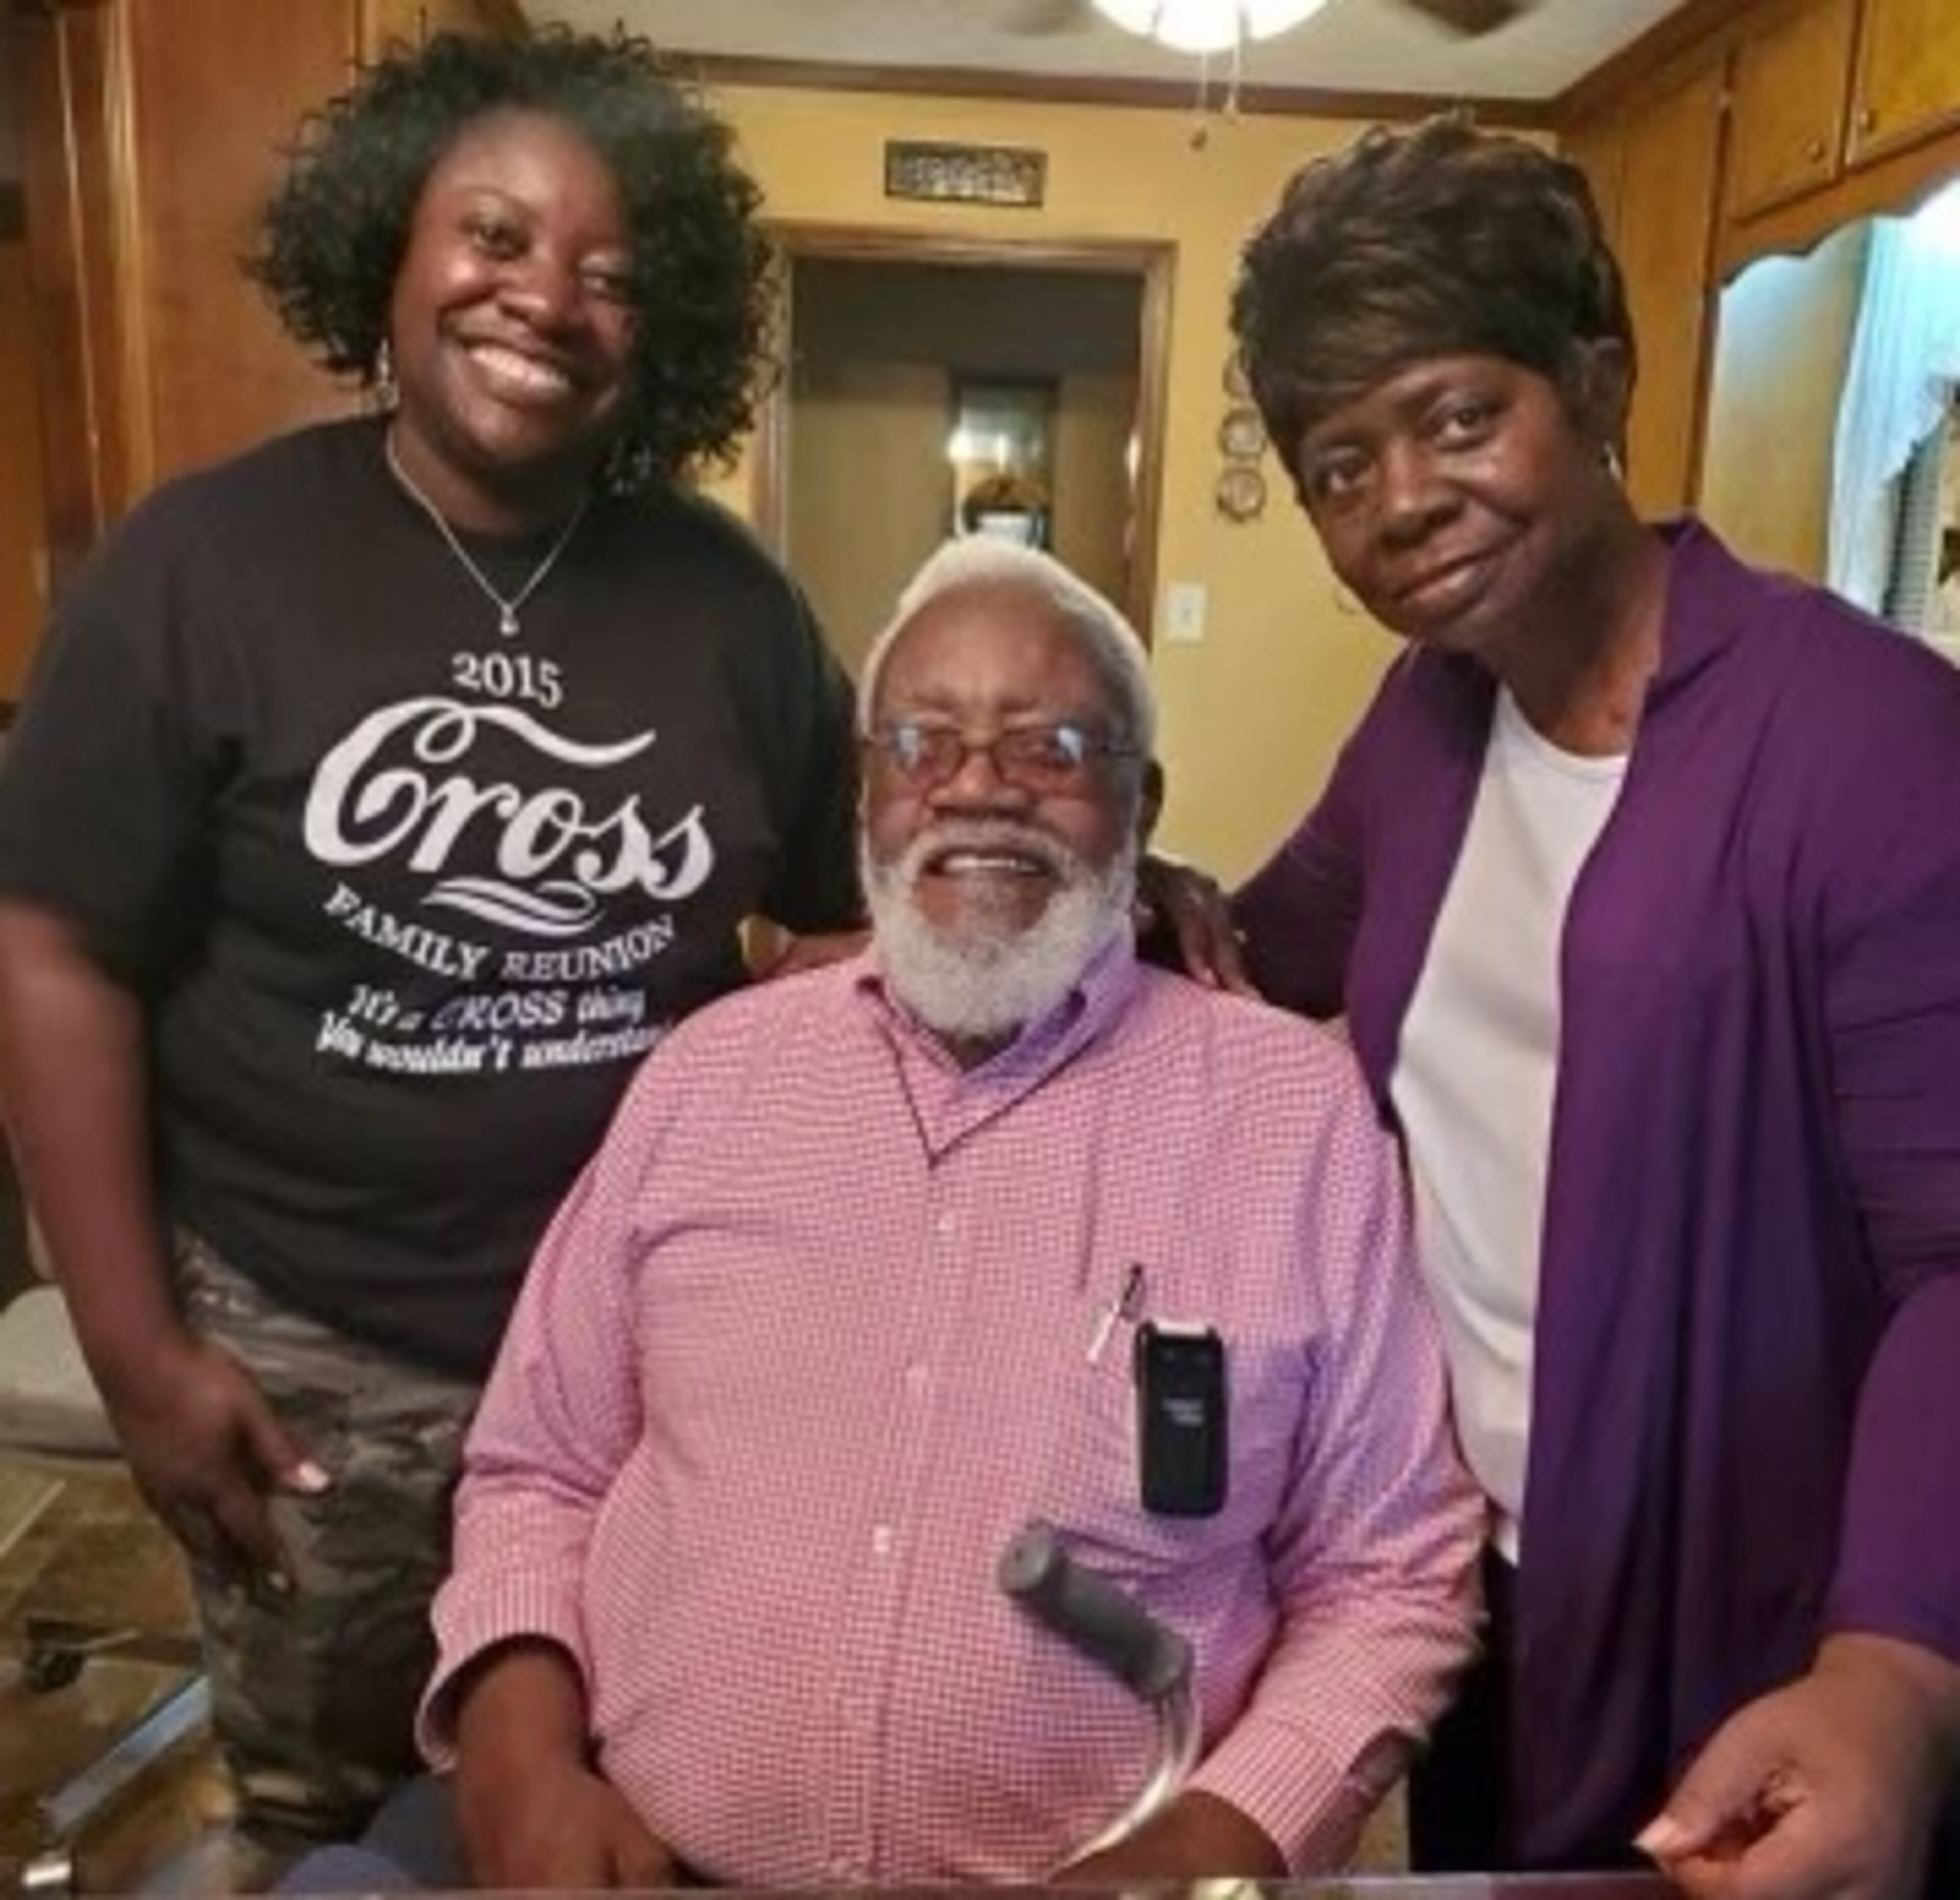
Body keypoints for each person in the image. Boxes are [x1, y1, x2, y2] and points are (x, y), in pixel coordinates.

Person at [0, 27, 859, 1876]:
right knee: (332, 1813)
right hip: (317, 1346)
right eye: (493, 235)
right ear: (387, 248)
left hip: (642, 1349)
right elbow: (54, 951)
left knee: (628, 1774)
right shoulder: (198, 569)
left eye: (611, 273)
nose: (544, 297)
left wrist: (1123, 874)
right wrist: (140, 1357)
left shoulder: (733, 607)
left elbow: (862, 907)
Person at [403, 536, 1483, 1889]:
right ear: (866, 793)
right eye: (921, 743)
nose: (976, 789)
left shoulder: (1291, 1118)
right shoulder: (709, 1076)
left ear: (1141, 802)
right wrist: (520, 1759)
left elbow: (1390, 1575)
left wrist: (1221, 1842)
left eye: (1050, 748)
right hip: (651, 1866)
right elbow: (537, 1471)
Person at [1146, 115, 1960, 1899]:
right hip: (1489, 1584)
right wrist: (1080, 891)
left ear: (1597, 380)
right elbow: (1255, 953)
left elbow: (1954, 1261)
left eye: (1458, 417)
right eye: (1340, 465)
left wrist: (1899, 1670)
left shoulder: (1869, 741)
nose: (1401, 501)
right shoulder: (1428, 723)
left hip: (1774, 1614)